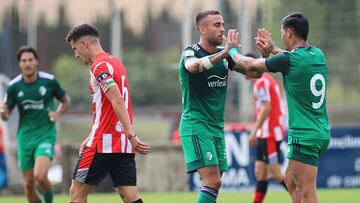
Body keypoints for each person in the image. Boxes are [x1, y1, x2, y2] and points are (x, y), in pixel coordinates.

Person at [227, 12, 330, 203]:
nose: (281, 36)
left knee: (307, 192)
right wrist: (273, 48)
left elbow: (250, 66)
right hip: (320, 131)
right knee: (290, 183)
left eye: (282, 32)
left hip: (304, 135)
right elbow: (289, 56)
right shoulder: (316, 54)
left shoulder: (288, 61)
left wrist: (231, 51)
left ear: (289, 32)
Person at [178, 10, 260, 203]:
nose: (222, 29)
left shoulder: (224, 55)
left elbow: (254, 73)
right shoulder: (190, 52)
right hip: (196, 125)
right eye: (217, 25)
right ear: (202, 29)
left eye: (222, 24)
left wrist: (266, 53)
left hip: (216, 127)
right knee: (213, 181)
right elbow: (193, 67)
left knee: (214, 183)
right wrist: (225, 52)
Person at [66, 24, 150, 203]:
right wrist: (92, 136)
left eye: (75, 49)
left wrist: (132, 134)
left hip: (102, 144)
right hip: (121, 144)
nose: (76, 55)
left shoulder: (99, 66)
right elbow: (108, 109)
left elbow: (117, 100)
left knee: (77, 193)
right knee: (129, 196)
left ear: (84, 44)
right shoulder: (115, 62)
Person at [0, 46, 71, 203]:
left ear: (36, 61)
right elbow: (6, 114)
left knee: (39, 176)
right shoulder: (13, 86)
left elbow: (66, 101)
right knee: (28, 184)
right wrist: (3, 114)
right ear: (19, 64)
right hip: (25, 137)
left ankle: (48, 200)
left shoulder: (49, 81)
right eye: (23, 61)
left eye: (30, 60)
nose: (27, 64)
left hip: (45, 134)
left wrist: (58, 113)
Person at [245, 53, 287, 203]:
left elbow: (266, 108)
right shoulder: (265, 80)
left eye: (243, 67)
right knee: (260, 173)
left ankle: (301, 196)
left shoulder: (261, 82)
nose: (242, 71)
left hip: (269, 133)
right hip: (266, 132)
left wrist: (254, 132)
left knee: (275, 174)